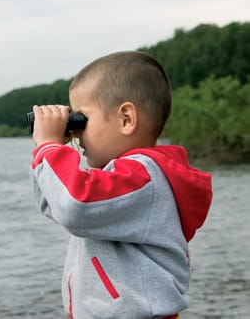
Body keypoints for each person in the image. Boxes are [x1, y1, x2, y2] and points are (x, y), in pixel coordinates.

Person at [29, 51, 212, 319]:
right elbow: (55, 205)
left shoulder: (143, 177)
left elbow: (75, 206)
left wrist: (50, 147)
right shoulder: (125, 179)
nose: (77, 132)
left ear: (126, 118)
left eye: (82, 120)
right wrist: (47, 152)